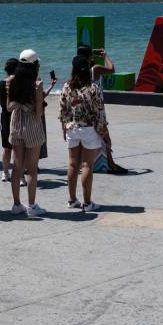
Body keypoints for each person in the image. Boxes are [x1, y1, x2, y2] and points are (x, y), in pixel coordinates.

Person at [59, 56, 108, 211]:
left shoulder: (67, 86)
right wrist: (103, 131)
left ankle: (72, 200)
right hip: (89, 128)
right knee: (87, 165)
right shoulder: (93, 87)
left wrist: (64, 127)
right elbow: (100, 111)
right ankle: (87, 203)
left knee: (73, 164)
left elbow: (63, 109)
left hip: (72, 127)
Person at [7, 49, 47, 217]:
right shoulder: (37, 84)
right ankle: (31, 206)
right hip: (32, 124)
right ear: (34, 65)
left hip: (16, 122)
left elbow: (9, 107)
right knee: (31, 169)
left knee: (17, 167)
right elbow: (39, 113)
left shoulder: (11, 81)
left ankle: (16, 204)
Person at [76, 45, 127, 174]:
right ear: (90, 56)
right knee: (106, 138)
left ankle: (91, 164)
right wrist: (105, 56)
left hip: (83, 111)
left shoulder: (77, 72)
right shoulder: (95, 69)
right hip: (97, 110)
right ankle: (111, 164)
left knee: (89, 139)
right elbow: (112, 69)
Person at [0, 58, 19, 182]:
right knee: (18, 149)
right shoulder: (18, 83)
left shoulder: (0, 84)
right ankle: (20, 176)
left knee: (6, 148)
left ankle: (5, 173)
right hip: (17, 117)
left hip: (5, 117)